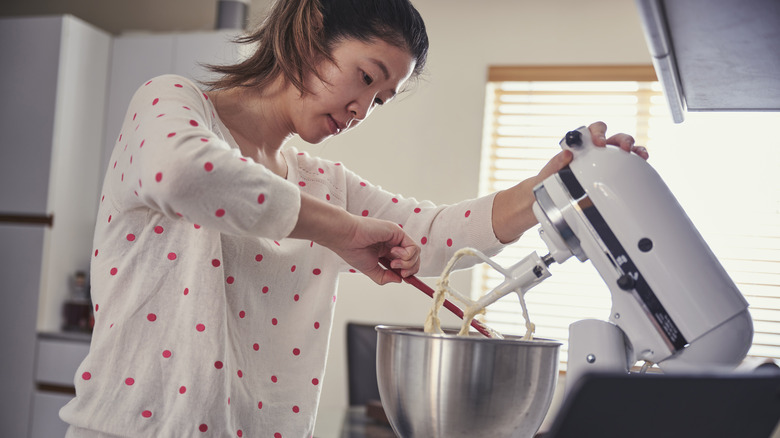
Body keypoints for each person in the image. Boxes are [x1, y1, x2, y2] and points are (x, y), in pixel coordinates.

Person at [60, 0, 647, 436]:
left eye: (380, 99)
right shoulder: (172, 103)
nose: (362, 110)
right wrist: (343, 231)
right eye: (366, 78)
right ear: (313, 28)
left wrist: (551, 188)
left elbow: (437, 232)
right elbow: (185, 176)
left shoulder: (320, 183)